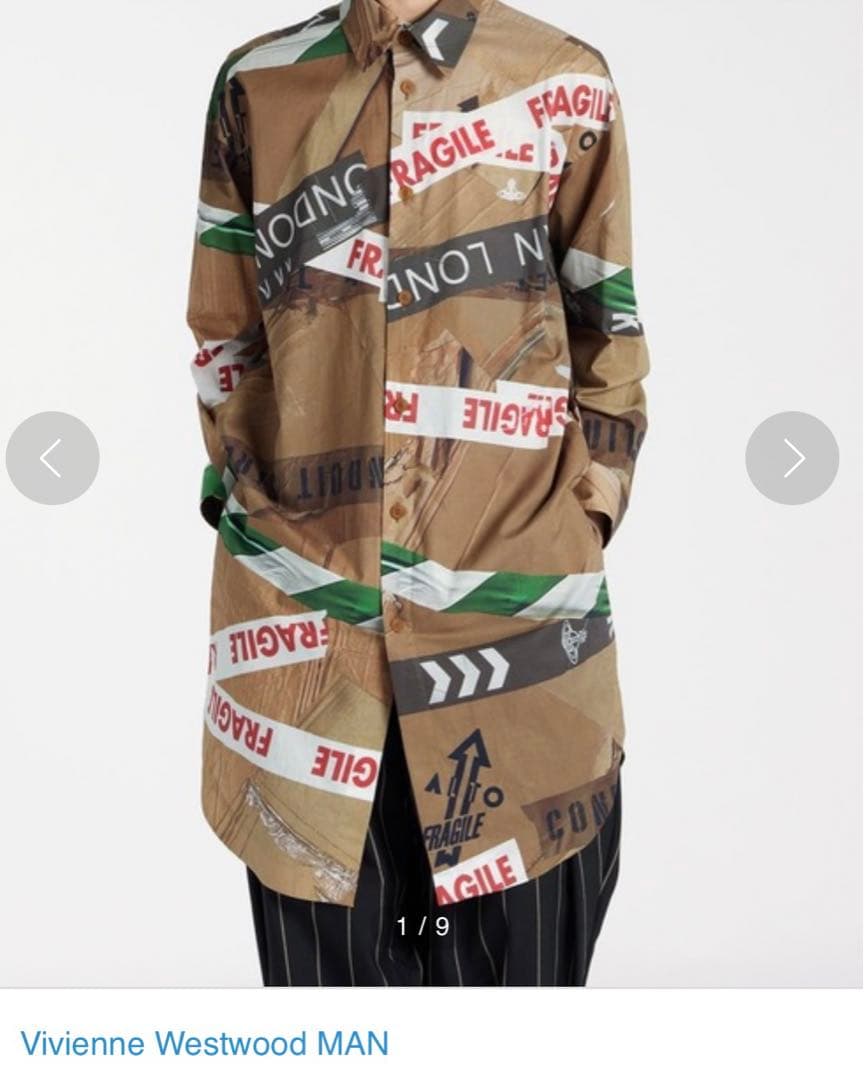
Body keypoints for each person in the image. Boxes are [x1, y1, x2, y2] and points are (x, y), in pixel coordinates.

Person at [185, 0, 649, 986]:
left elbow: (606, 329)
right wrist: (259, 523)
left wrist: (580, 518)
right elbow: (227, 338)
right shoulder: (257, 84)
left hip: (518, 648)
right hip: (309, 649)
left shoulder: (562, 78)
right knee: (338, 1026)